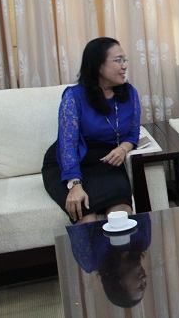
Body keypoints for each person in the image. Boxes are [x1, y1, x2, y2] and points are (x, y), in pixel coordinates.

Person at [42, 37, 141, 224]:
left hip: (106, 162)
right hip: (70, 162)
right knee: (86, 217)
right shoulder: (74, 96)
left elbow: (133, 134)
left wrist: (123, 148)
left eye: (125, 60)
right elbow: (67, 144)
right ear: (98, 66)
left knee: (121, 214)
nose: (124, 66)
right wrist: (74, 184)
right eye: (118, 60)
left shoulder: (130, 93)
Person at [66, 213, 151, 308]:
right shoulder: (144, 242)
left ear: (121, 285)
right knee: (122, 209)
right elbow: (142, 211)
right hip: (117, 205)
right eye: (145, 283)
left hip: (88, 208)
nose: (145, 278)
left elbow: (78, 227)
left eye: (140, 286)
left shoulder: (90, 261)